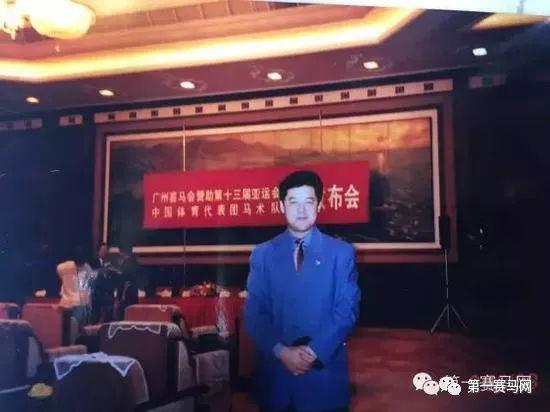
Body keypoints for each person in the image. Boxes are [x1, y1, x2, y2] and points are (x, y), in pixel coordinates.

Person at [244, 170, 361, 412]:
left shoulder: (341, 253)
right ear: (281, 205)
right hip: (276, 379)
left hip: (324, 378)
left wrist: (313, 352)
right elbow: (254, 314)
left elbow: (346, 311)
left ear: (320, 203)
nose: (301, 210)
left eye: (308, 201)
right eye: (293, 202)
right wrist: (282, 352)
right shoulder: (263, 254)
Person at [57, 247, 95, 327]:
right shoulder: (67, 267)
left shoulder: (87, 268)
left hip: (78, 303)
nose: (79, 267)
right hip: (70, 303)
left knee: (76, 324)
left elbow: (90, 286)